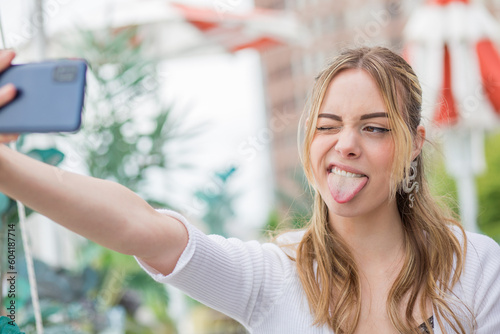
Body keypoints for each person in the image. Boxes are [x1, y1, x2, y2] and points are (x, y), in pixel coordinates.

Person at [0, 46, 499, 334]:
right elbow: (142, 228)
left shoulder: (478, 267)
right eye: (327, 126)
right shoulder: (276, 274)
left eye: (374, 128)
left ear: (414, 144)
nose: (345, 145)